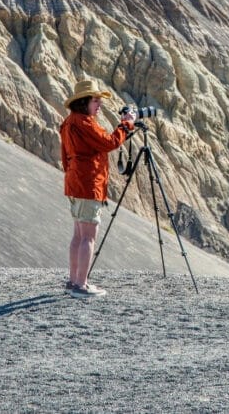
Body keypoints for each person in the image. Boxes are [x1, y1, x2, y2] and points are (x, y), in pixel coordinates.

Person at [59, 79, 136, 298]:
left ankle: (74, 281)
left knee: (78, 235)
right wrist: (126, 124)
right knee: (88, 237)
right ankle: (81, 285)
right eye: (95, 100)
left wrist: (72, 175)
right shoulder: (85, 123)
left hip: (75, 183)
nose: (99, 105)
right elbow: (109, 143)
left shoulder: (68, 122)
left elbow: (65, 156)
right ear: (84, 102)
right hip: (88, 184)